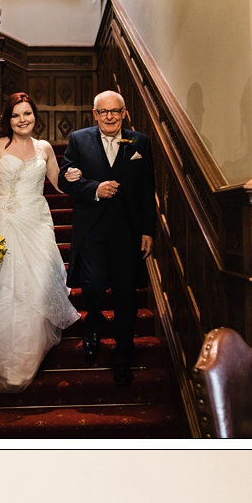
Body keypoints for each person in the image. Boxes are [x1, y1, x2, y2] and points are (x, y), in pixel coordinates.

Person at [0, 91, 81, 393]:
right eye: (16, 115)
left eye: (27, 113)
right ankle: (8, 360)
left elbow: (58, 182)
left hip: (38, 220)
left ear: (34, 116)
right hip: (8, 218)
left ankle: (30, 351)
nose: (22, 119)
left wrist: (76, 176)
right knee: (9, 284)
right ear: (8, 119)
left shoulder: (44, 148)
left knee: (39, 280)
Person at [59, 89, 156, 387]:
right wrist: (93, 189)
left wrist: (147, 230)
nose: (110, 116)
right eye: (104, 112)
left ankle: (123, 356)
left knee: (126, 295)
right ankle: (94, 323)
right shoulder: (78, 139)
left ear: (124, 112)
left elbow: (146, 189)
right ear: (95, 114)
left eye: (115, 111)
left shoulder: (140, 142)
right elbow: (65, 179)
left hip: (127, 232)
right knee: (94, 283)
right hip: (92, 230)